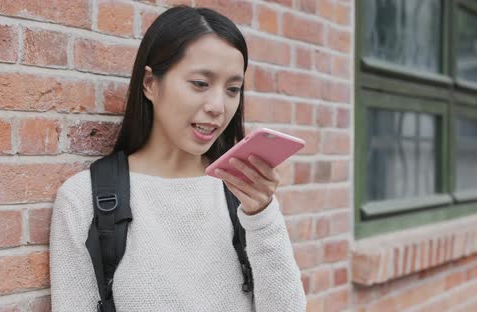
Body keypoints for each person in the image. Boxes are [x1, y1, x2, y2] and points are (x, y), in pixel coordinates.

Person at [49, 5, 307, 312]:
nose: (218, 106)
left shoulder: (242, 193)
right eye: (200, 83)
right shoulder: (83, 199)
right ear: (150, 84)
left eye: (233, 89)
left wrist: (262, 216)